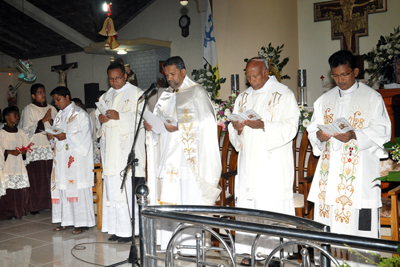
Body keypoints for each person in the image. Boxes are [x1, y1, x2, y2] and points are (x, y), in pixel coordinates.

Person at [307, 50, 391, 265]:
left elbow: (382, 131)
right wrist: (319, 135)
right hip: (330, 174)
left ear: (355, 71)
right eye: (335, 76)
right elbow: (313, 128)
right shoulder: (324, 100)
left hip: (359, 175)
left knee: (358, 228)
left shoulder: (372, 98)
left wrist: (354, 135)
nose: (340, 80)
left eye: (344, 74)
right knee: (330, 224)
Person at [144, 56, 221, 254]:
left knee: (187, 197)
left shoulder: (197, 92)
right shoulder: (166, 95)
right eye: (166, 74)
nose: (169, 78)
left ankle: (192, 246)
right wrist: (152, 126)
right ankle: (171, 241)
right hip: (169, 155)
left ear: (183, 72)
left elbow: (207, 123)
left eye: (172, 74)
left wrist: (179, 126)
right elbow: (161, 121)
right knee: (173, 198)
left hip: (189, 159)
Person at [228, 57, 299, 265]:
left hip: (271, 163)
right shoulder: (242, 98)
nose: (252, 80)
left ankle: (275, 254)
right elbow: (235, 133)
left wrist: (264, 125)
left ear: (267, 73)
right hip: (249, 161)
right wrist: (238, 129)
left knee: (270, 204)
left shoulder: (284, 94)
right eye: (248, 76)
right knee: (250, 206)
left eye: (256, 76)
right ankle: (250, 251)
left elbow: (291, 126)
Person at [96, 62, 146, 243]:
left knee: (126, 189)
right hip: (111, 152)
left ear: (126, 76)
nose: (114, 81)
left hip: (127, 151)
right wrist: (100, 119)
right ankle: (117, 228)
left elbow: (143, 118)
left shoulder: (138, 94)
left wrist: (120, 116)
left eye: (118, 77)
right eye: (111, 78)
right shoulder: (105, 96)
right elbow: (97, 120)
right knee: (113, 189)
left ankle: (131, 231)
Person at [48, 86, 95, 234]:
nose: (56, 103)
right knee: (63, 188)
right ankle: (66, 221)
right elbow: (57, 135)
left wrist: (66, 136)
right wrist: (52, 137)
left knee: (77, 189)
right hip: (61, 159)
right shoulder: (58, 116)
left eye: (58, 99)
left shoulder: (80, 115)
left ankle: (82, 222)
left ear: (67, 97)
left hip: (76, 160)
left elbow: (86, 137)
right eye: (55, 100)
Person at [19, 84, 57, 214]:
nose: (43, 94)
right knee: (37, 178)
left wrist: (51, 121)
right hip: (36, 147)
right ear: (33, 96)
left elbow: (59, 126)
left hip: (50, 147)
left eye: (44, 92)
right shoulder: (28, 109)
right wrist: (43, 120)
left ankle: (51, 203)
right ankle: (35, 205)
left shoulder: (52, 108)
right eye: (40, 92)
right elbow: (25, 130)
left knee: (50, 177)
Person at [0, 106, 30, 219]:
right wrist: (9, 151)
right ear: (7, 117)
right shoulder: (2, 133)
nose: (17, 117)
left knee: (19, 189)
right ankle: (7, 212)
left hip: (18, 164)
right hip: (7, 165)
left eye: (17, 115)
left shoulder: (20, 132)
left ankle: (19, 210)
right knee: (8, 189)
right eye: (15, 115)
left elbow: (26, 146)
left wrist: (24, 150)